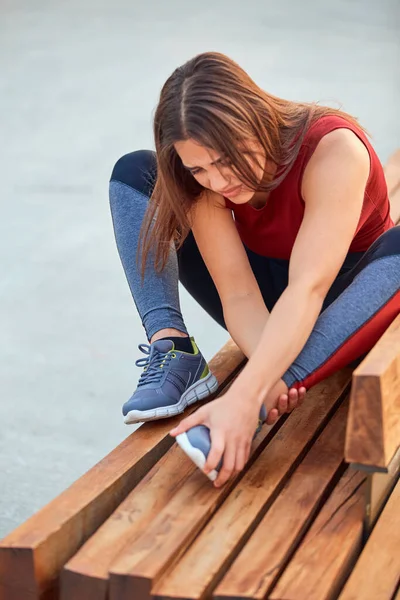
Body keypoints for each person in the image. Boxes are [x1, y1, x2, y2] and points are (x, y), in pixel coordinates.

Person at [109, 51, 399, 488]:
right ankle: (175, 351)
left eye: (228, 159)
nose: (219, 181)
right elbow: (239, 294)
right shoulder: (199, 179)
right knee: (136, 171)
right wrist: (267, 378)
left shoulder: (334, 148)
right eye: (200, 168)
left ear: (256, 121)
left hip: (345, 305)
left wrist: (250, 394)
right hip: (269, 308)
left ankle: (270, 387)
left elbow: (308, 288)